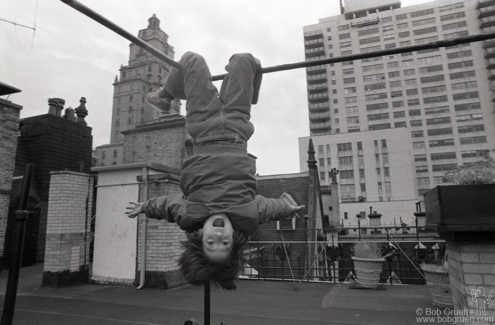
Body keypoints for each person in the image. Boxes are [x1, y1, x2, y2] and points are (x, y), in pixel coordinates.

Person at [126, 52, 304, 290]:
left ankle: (163, 97)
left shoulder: (190, 213)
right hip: (236, 126)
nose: (219, 237)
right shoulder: (248, 215)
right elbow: (271, 208)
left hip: (203, 125)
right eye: (225, 242)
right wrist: (288, 207)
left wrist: (144, 207)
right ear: (235, 238)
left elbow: (167, 206)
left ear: (200, 236)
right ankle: (247, 86)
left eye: (211, 242)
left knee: (191, 60)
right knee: (245, 60)